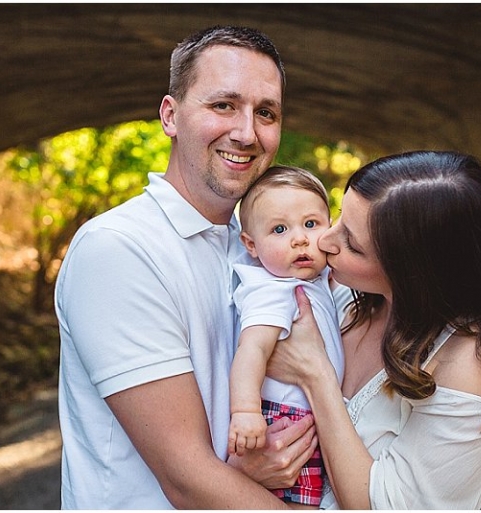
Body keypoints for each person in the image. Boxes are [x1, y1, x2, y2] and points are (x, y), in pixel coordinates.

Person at [54, 26, 316, 509]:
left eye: (265, 113)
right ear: (170, 116)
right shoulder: (118, 249)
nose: (246, 133)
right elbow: (187, 478)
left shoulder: (256, 246)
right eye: (223, 105)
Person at [250, 150, 481, 509]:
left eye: (353, 245)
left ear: (413, 272)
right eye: (339, 218)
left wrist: (317, 379)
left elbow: (389, 506)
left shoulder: (470, 365)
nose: (325, 241)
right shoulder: (343, 295)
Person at [228, 165, 344, 508]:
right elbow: (251, 349)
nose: (300, 239)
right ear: (251, 245)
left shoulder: (311, 279)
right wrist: (245, 410)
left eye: (311, 224)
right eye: (280, 229)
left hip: (309, 413)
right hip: (284, 420)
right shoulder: (273, 291)